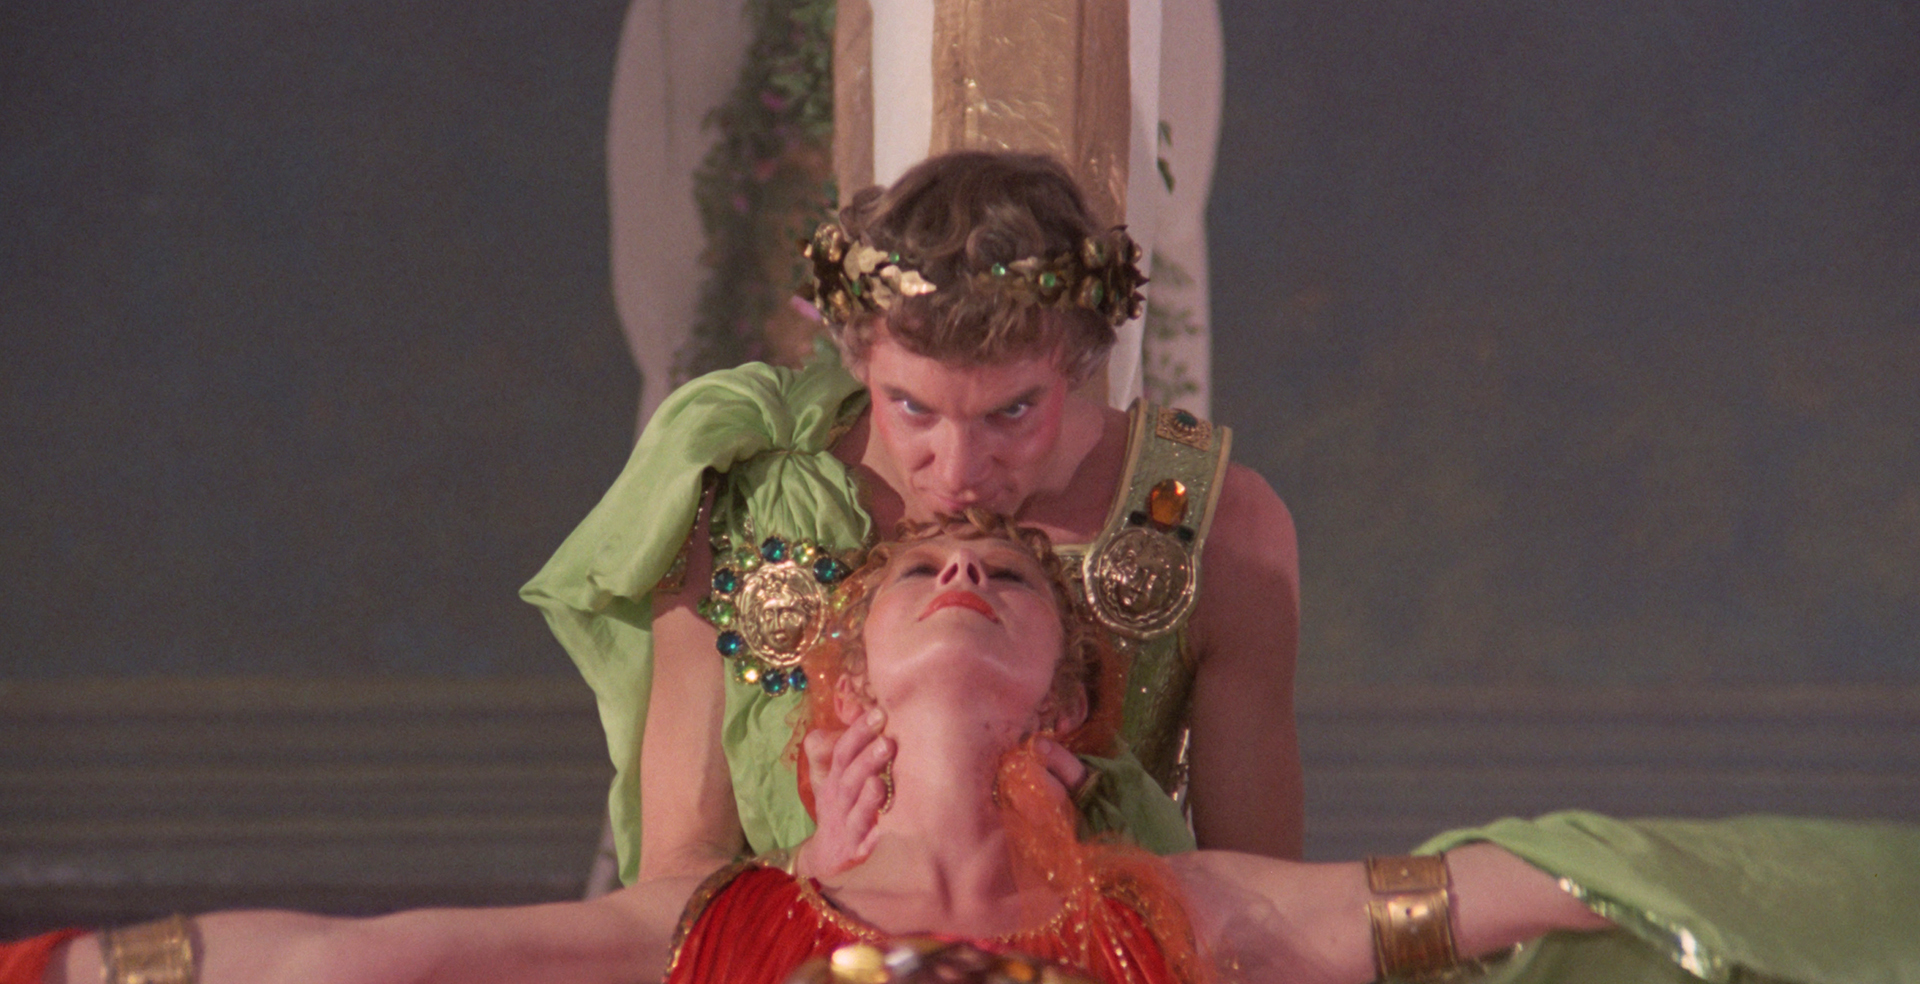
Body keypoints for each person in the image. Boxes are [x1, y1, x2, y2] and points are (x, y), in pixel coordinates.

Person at [19, 516, 1916, 984]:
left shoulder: (1186, 909)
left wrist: (1730, 900)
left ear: (1069, 704)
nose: (957, 575)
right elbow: (357, 962)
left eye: (1005, 575)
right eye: (920, 569)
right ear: (840, 690)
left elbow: (1525, 887)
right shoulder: (718, 923)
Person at [521, 149, 1306, 887]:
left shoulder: (1217, 531)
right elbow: (679, 876)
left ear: (1078, 359)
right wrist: (809, 883)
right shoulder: (742, 498)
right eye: (912, 407)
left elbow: (1265, 906)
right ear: (859, 357)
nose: (958, 471)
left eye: (1012, 412)